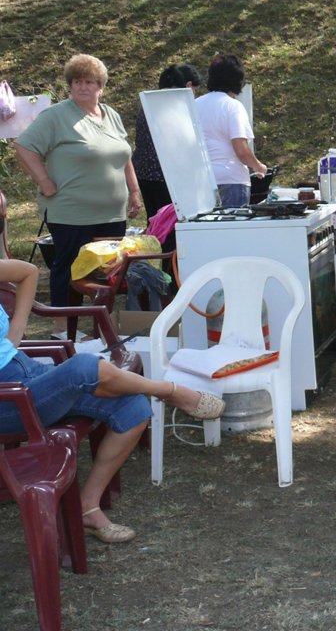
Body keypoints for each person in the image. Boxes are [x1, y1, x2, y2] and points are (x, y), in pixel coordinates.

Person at [0, 258, 224, 544]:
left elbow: (28, 271)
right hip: (7, 400)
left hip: (26, 371)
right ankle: (169, 391)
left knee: (133, 409)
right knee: (83, 367)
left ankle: (87, 507)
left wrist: (17, 329)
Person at [13, 54, 143, 306]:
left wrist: (134, 191)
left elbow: (124, 155)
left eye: (89, 82)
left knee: (108, 270)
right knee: (69, 269)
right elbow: (24, 146)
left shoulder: (111, 115)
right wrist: (44, 181)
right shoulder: (55, 116)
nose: (82, 87)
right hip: (71, 212)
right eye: (77, 82)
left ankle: (100, 322)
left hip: (112, 213)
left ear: (101, 87)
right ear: (71, 85)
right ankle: (63, 324)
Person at [194, 55, 268, 209]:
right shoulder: (233, 106)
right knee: (232, 224)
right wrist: (258, 166)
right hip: (231, 179)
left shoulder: (194, 104)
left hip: (200, 180)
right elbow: (241, 150)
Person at [133, 63, 204, 218]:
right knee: (169, 222)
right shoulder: (174, 106)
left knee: (155, 220)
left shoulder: (147, 105)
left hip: (144, 173)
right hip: (166, 176)